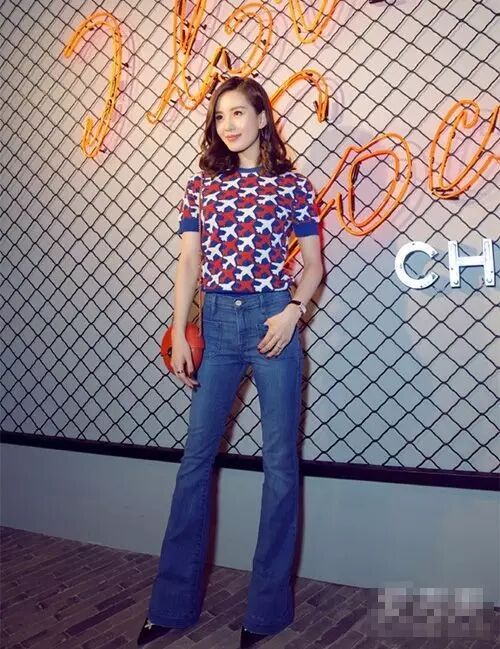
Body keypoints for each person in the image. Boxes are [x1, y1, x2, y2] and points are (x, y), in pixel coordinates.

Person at [137, 75, 323, 648]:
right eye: (220, 116)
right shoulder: (201, 186)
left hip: (273, 322)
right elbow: (188, 263)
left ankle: (267, 612)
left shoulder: (293, 185)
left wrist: (292, 313)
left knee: (280, 466)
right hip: (215, 324)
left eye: (239, 113)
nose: (228, 125)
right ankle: (171, 605)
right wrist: (179, 329)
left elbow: (314, 266)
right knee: (195, 463)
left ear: (262, 118)